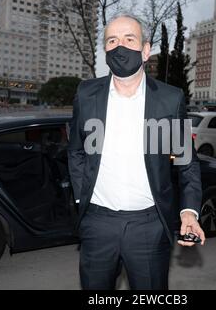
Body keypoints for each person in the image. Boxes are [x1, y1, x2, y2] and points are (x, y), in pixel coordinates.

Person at [68, 14, 205, 290]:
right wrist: (84, 201)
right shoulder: (86, 94)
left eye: (129, 39)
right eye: (112, 40)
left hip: (149, 226)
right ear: (105, 50)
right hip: (97, 225)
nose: (120, 46)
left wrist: (189, 212)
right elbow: (76, 152)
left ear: (144, 50)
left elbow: (185, 162)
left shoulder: (169, 99)